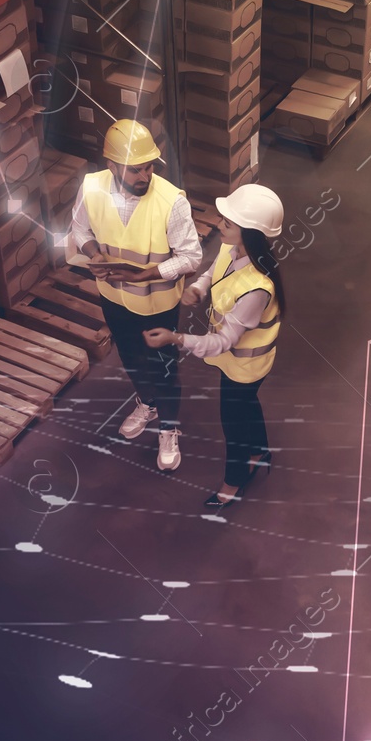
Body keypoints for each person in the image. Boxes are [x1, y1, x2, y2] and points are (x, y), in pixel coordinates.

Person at [70, 119, 202, 470]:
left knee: (164, 369)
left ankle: (168, 429)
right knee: (130, 358)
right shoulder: (92, 187)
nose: (144, 176)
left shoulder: (172, 201)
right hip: (113, 298)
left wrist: (148, 273)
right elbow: (79, 227)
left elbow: (192, 256)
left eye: (149, 168)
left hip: (157, 305)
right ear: (112, 166)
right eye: (135, 170)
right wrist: (94, 253)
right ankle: (147, 402)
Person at [143, 184, 284, 509]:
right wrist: (197, 288)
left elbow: (222, 341)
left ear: (250, 233)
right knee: (247, 406)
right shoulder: (231, 249)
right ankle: (258, 450)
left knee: (232, 422)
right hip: (236, 362)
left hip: (244, 367)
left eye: (229, 222)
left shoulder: (256, 288)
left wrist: (174, 338)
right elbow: (213, 273)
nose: (221, 225)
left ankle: (233, 482)